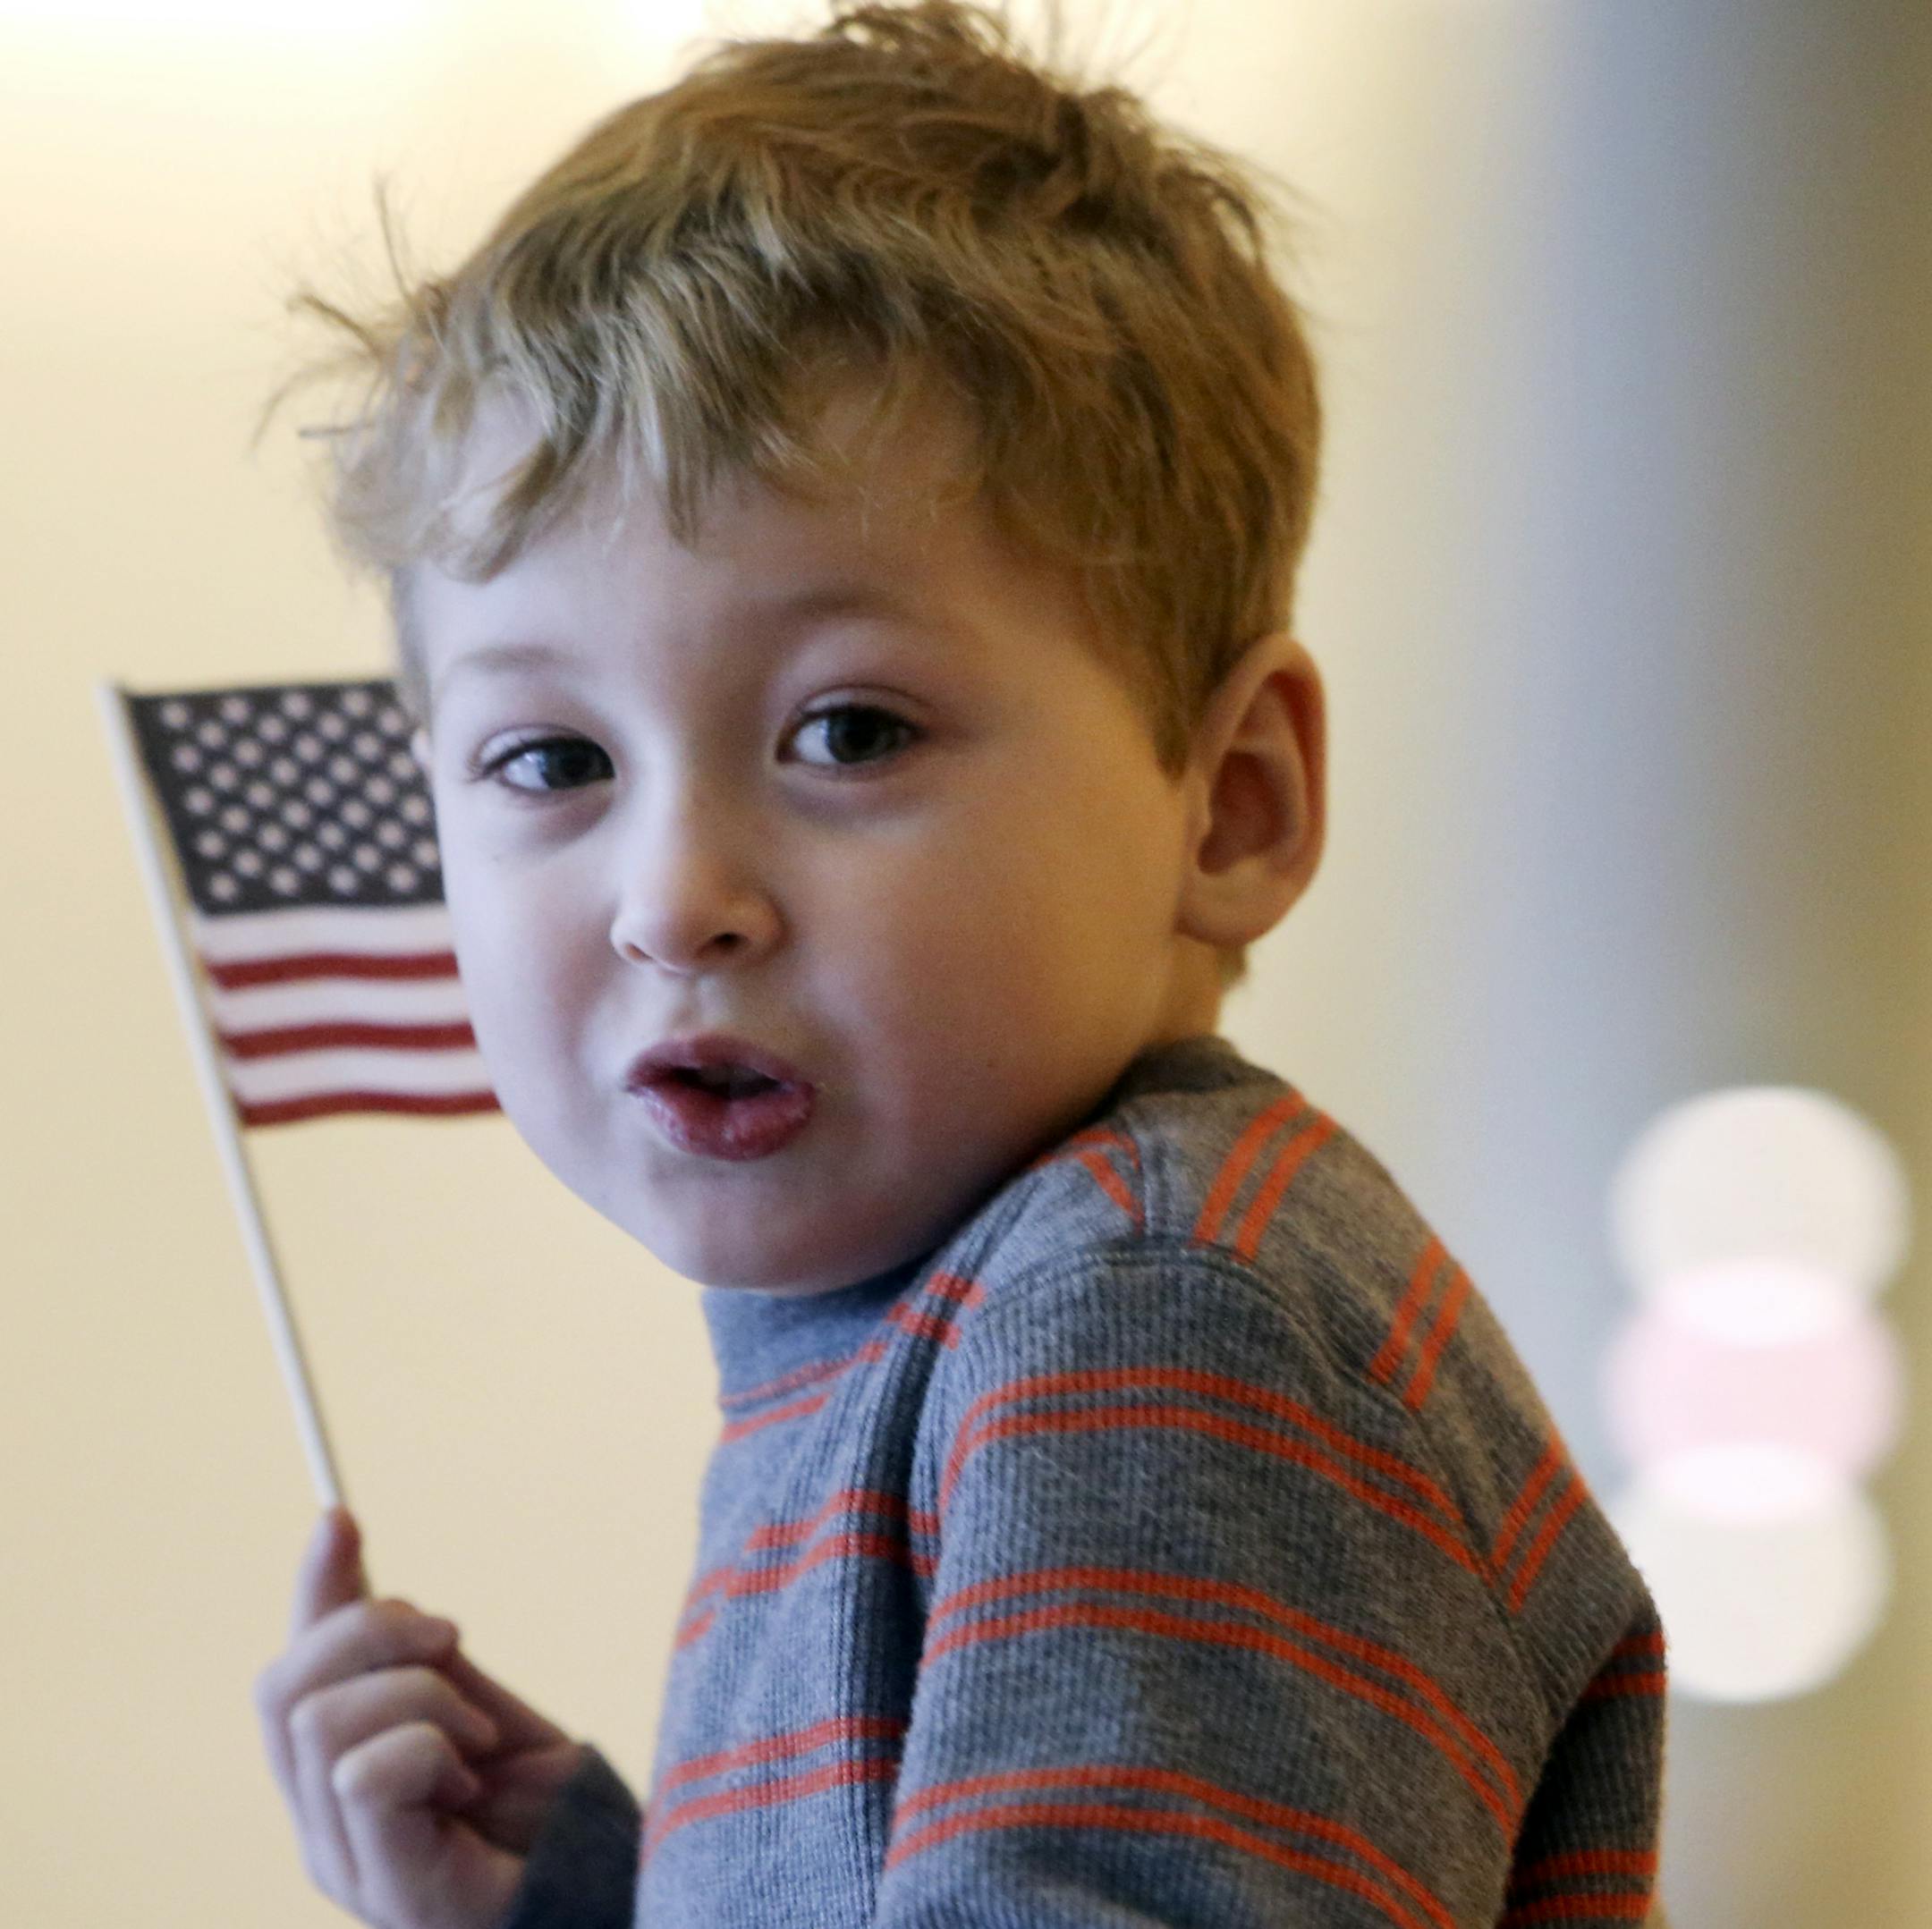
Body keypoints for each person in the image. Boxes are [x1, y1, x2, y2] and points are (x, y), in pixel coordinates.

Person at [251, 4, 1670, 1925]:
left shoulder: (1158, 1314)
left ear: (1230, 802)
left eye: (849, 732)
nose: (677, 895)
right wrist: (584, 1897)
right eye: (553, 759)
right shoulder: (957, 1323)